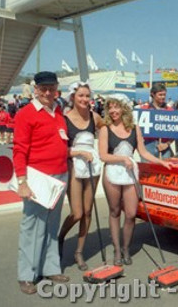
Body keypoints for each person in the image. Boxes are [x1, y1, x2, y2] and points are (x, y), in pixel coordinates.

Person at [98, 94, 173, 266]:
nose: (113, 110)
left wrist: (161, 161)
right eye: (111, 107)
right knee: (115, 211)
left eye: (117, 107)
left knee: (131, 213)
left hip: (130, 173)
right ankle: (117, 250)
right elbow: (103, 155)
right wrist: (122, 159)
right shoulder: (105, 129)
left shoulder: (134, 128)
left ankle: (126, 247)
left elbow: (143, 152)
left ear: (124, 108)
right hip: (112, 172)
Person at [13, 71, 70, 294]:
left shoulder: (58, 113)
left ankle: (50, 267)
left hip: (59, 177)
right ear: (35, 90)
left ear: (56, 89)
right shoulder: (26, 114)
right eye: (43, 88)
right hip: (38, 178)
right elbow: (19, 150)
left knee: (51, 226)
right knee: (32, 227)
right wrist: (22, 181)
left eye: (51, 88)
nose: (48, 92)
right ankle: (26, 274)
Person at [58, 82, 104, 271]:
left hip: (92, 166)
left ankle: (79, 251)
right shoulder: (64, 118)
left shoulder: (95, 117)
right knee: (76, 212)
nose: (85, 99)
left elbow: (108, 131)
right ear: (72, 98)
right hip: (75, 166)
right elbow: (60, 150)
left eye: (87, 96)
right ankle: (60, 237)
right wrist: (78, 153)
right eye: (81, 96)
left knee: (87, 211)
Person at [140, 83, 174, 158]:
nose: (163, 97)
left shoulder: (170, 110)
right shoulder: (144, 109)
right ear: (153, 94)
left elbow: (176, 132)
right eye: (160, 95)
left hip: (164, 145)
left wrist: (167, 144)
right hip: (147, 145)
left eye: (164, 95)